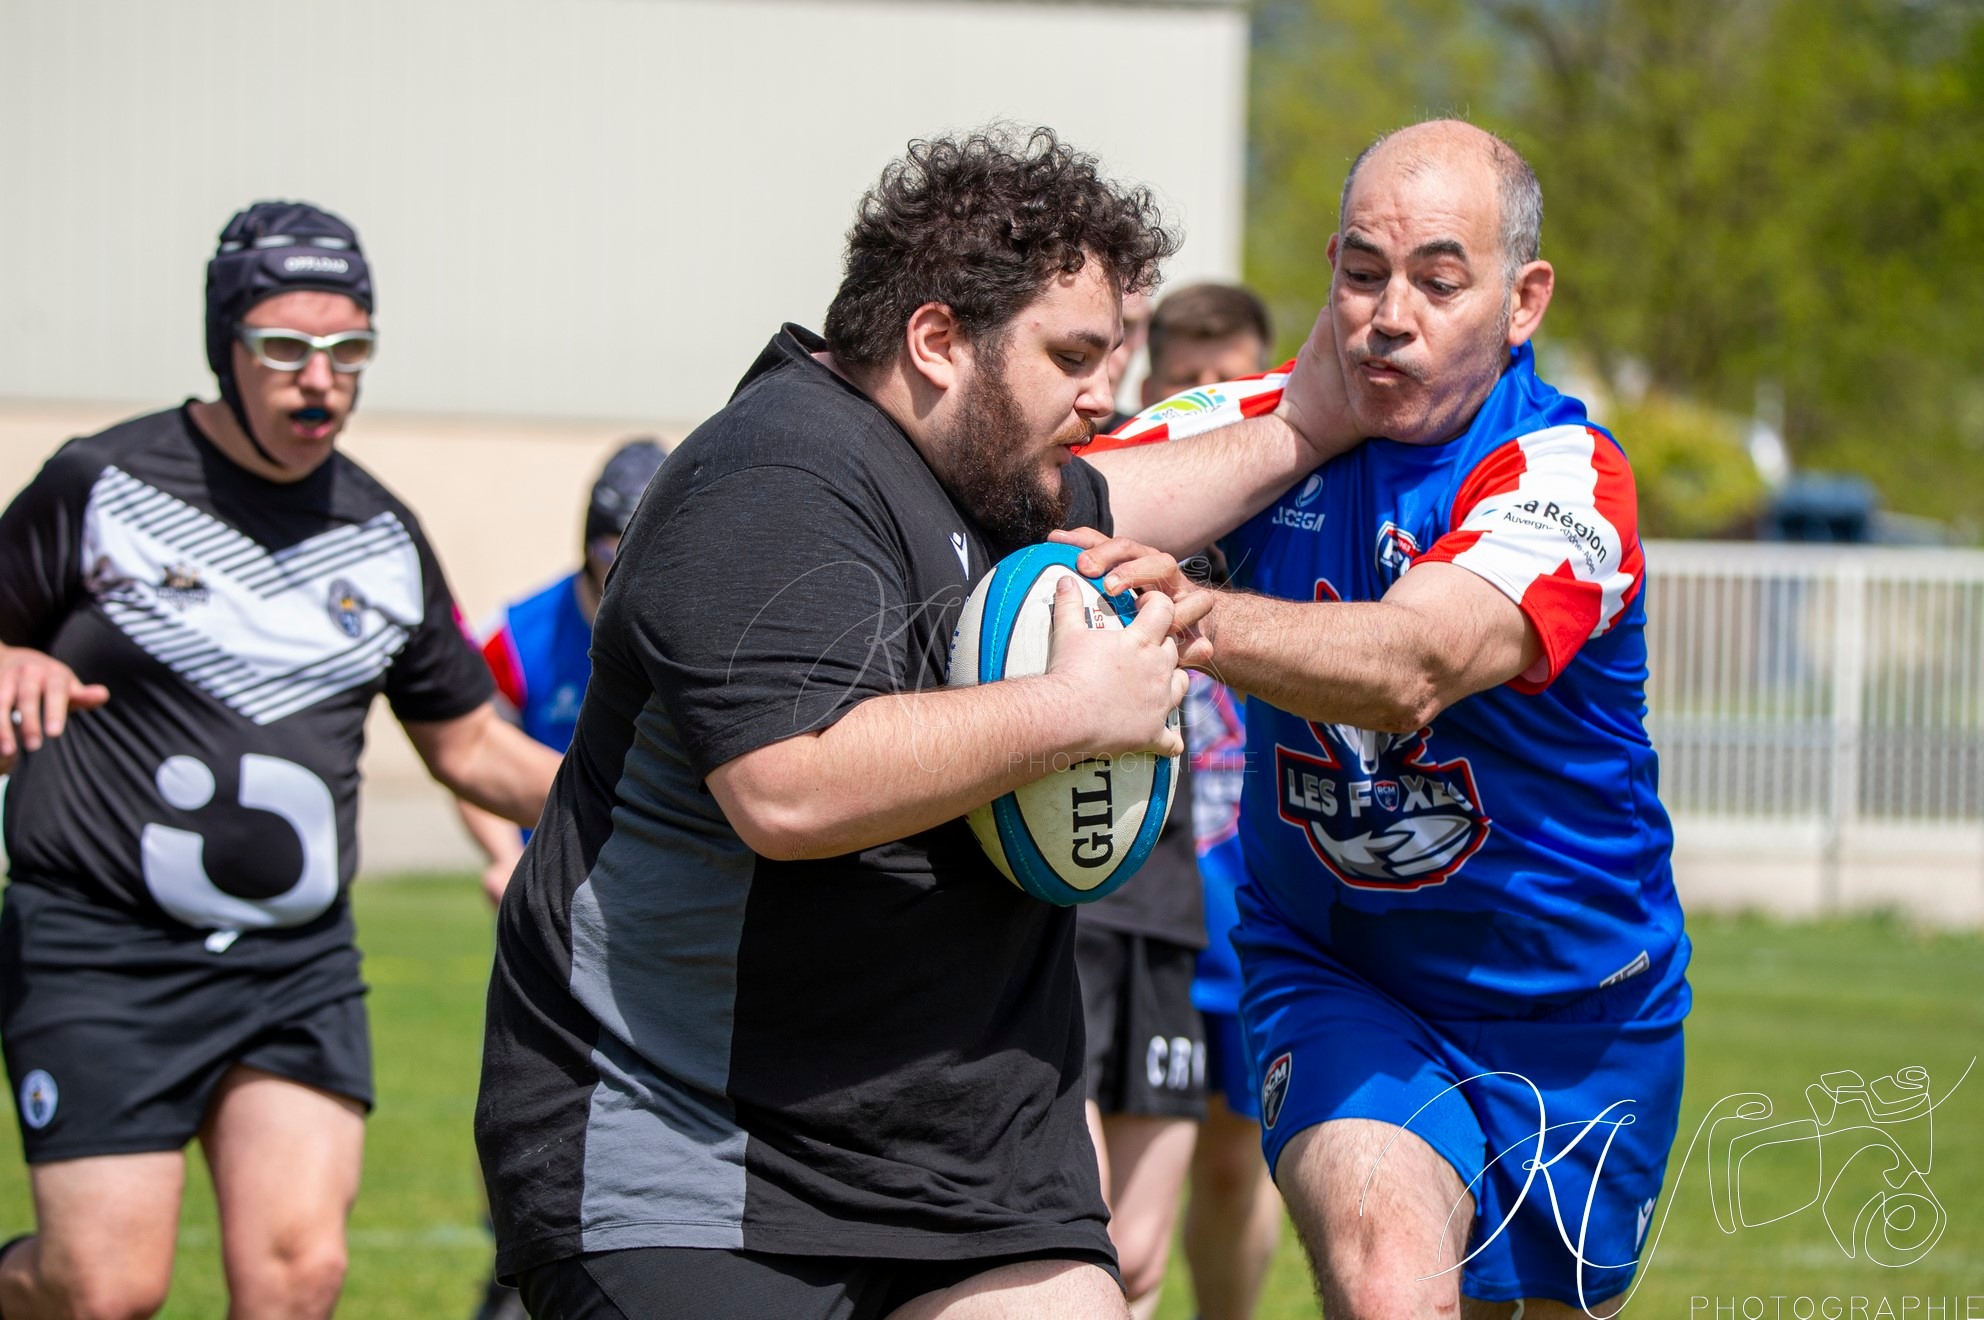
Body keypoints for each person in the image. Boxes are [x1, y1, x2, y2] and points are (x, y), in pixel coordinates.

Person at [475, 127, 1207, 1320]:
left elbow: (1169, 485)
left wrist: (1316, 416)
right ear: (935, 340)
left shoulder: (989, 479)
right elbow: (788, 790)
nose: (1102, 399)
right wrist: (1079, 708)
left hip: (968, 1168)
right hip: (698, 1159)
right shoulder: (772, 477)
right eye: (1072, 357)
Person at [1073, 119, 1690, 1318]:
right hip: (1339, 971)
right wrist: (1294, 431)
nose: (1388, 314)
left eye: (1436, 280)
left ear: (1524, 301)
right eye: (1361, 273)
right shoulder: (1261, 428)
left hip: (1577, 1006)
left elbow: (1415, 661)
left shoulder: (1567, 474)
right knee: (1386, 1276)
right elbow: (1062, 499)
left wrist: (1188, 619)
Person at [0, 201, 561, 1320]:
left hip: (290, 967)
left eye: (350, 351)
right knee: (101, 1289)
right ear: (228, 347)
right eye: (288, 350)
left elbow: (468, 745)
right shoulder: (100, 484)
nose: (322, 380)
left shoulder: (383, 537)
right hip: (102, 950)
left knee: (298, 1277)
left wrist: (655, 800)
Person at [1072, 283, 1284, 1320]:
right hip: (1131, 890)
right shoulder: (1115, 497)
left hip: (1247, 904)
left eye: (1229, 375)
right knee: (1099, 1211)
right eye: (1186, 378)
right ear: (1152, 383)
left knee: (1236, 1163)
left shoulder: (1298, 513)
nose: (1208, 393)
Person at [457, 439, 669, 906]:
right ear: (590, 543)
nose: (626, 576)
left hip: (662, 886)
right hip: (550, 884)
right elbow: (469, 753)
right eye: (612, 553)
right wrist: (503, 854)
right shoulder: (516, 639)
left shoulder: (704, 636)